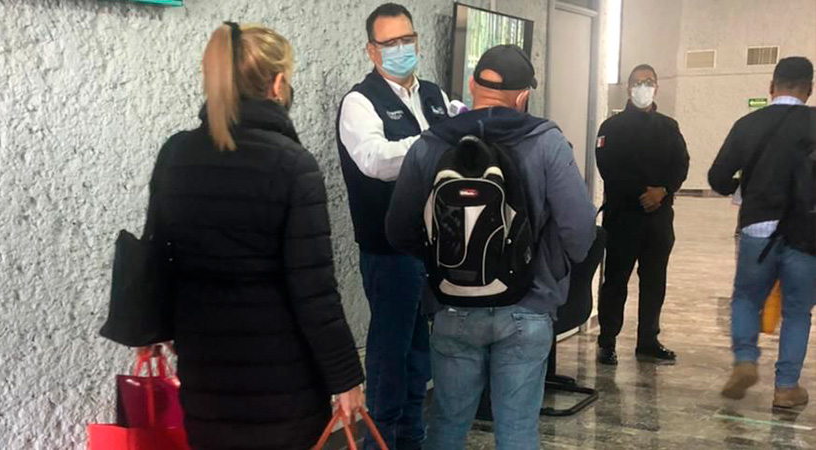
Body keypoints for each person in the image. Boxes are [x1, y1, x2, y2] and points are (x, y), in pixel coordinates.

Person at [141, 23, 364, 450]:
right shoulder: (293, 165)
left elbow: (157, 254)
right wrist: (345, 378)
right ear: (277, 84)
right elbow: (314, 291)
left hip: (204, 371)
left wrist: (149, 328)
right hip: (282, 379)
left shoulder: (176, 154)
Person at [385, 44, 596, 449]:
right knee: (516, 430)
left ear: (471, 85)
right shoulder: (546, 142)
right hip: (528, 306)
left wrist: (442, 262)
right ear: (522, 96)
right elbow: (579, 229)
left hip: (451, 306)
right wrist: (555, 267)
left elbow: (398, 230)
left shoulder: (430, 143)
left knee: (446, 425)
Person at [335, 3, 451, 449]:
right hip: (388, 251)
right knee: (389, 357)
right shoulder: (360, 102)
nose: (401, 49)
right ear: (372, 50)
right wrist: (434, 143)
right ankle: (378, 442)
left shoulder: (434, 96)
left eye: (407, 40)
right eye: (390, 43)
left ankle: (409, 440)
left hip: (432, 247)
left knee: (420, 357)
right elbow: (376, 161)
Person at [709, 56, 815, 409]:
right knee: (797, 312)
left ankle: (745, 360)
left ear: (771, 86)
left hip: (757, 229)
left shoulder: (748, 125)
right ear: (809, 89)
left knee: (746, 298)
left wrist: (745, 186)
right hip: (807, 236)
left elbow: (717, 178)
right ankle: (786, 388)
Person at [595, 64, 690, 366]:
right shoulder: (612, 127)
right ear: (628, 88)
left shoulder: (669, 127)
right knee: (615, 281)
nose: (643, 87)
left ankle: (648, 341)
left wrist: (663, 190)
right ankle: (607, 341)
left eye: (648, 82)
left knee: (654, 281)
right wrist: (642, 193)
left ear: (656, 87)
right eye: (637, 82)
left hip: (658, 220)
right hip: (623, 217)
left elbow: (681, 164)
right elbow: (608, 167)